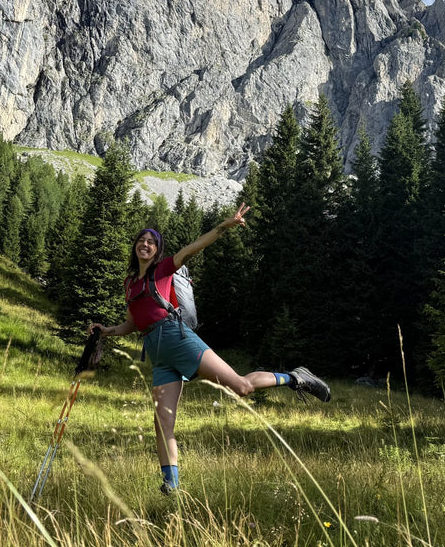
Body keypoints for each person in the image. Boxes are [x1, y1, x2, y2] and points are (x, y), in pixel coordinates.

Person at [89, 203, 331, 495]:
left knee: (240, 387)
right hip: (157, 353)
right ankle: (171, 486)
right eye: (142, 240)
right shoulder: (130, 283)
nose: (146, 244)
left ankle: (295, 377)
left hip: (177, 338)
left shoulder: (163, 270)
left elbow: (192, 248)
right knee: (162, 421)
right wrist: (106, 331)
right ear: (135, 246)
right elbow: (132, 323)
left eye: (152, 241)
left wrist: (224, 227)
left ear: (157, 250)